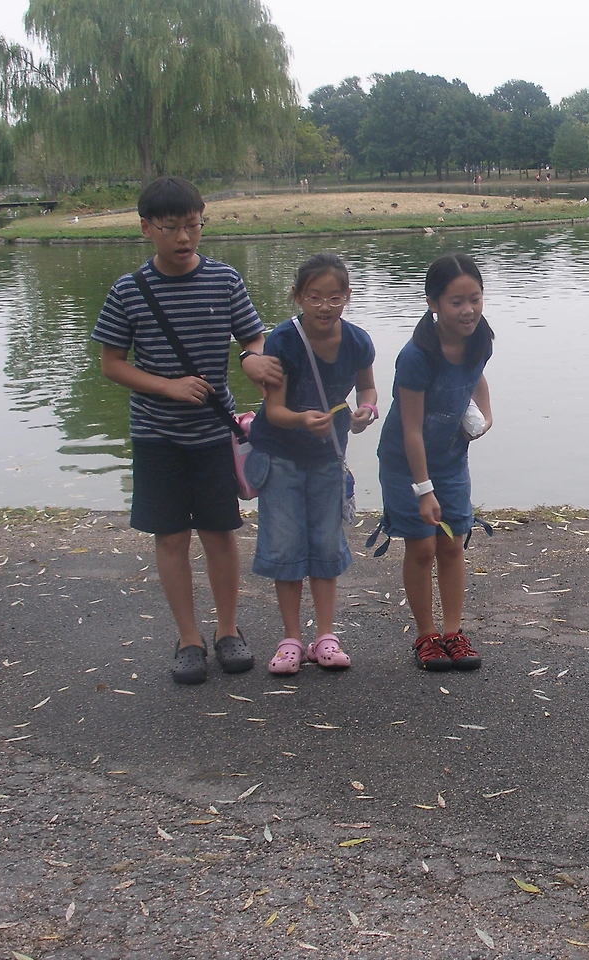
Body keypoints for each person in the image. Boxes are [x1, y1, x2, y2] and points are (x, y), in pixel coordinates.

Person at [92, 176, 283, 685]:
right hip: (156, 435)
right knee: (172, 536)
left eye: (193, 226)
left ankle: (228, 630)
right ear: (146, 228)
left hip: (214, 434)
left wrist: (251, 361)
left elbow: (254, 340)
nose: (183, 238)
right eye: (170, 228)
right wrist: (167, 386)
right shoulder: (129, 290)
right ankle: (188, 638)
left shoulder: (224, 280)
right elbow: (112, 363)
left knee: (220, 533)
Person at [244, 253, 378, 675]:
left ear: (347, 296)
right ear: (298, 296)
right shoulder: (283, 341)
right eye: (315, 297)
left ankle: (325, 636)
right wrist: (303, 419)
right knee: (285, 546)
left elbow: (368, 388)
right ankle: (290, 639)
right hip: (280, 456)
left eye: (334, 297)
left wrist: (367, 411)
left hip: (327, 458)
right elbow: (274, 410)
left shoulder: (357, 341)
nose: (325, 306)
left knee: (325, 544)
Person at [376, 253, 494, 672]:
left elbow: (477, 375)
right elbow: (410, 429)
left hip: (450, 458)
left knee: (452, 543)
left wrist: (486, 414)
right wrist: (423, 490)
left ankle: (453, 632)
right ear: (433, 304)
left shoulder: (480, 340)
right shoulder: (416, 356)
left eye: (475, 299)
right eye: (456, 302)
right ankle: (426, 635)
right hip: (405, 463)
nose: (468, 310)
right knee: (422, 546)